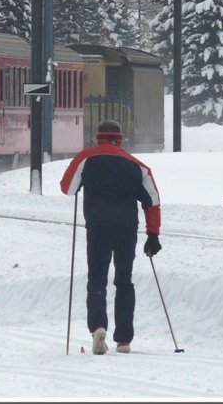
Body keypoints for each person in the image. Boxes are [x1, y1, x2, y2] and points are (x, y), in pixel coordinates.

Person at [60, 119, 161, 355]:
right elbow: (153, 202)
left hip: (97, 228)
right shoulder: (138, 166)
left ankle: (98, 327)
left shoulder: (86, 158)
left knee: (97, 279)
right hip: (126, 229)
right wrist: (153, 234)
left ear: (98, 137)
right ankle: (124, 339)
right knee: (124, 281)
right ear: (121, 138)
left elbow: (67, 188)